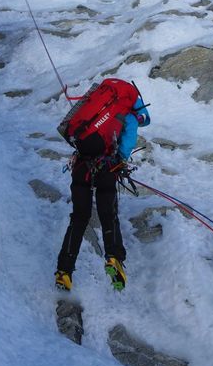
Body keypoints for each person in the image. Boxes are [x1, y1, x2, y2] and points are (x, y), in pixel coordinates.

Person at [55, 94, 150, 292]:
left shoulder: (96, 104)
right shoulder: (128, 114)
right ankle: (114, 258)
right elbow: (128, 141)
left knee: (79, 218)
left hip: (81, 166)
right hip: (106, 167)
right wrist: (120, 160)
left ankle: (64, 271)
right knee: (108, 215)